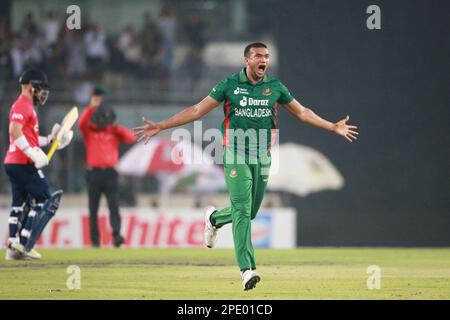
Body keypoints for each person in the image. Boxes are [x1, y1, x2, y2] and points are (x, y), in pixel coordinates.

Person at [134, 42, 359, 290]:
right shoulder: (229, 85)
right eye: (258, 56)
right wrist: (162, 126)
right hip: (235, 152)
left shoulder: (275, 87)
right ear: (247, 60)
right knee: (242, 210)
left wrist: (332, 126)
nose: (264, 60)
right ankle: (247, 270)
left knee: (250, 212)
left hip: (263, 155)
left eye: (267, 56)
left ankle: (214, 218)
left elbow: (303, 113)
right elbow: (198, 110)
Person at [4, 68, 72, 260]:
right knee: (43, 200)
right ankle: (25, 244)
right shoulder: (23, 105)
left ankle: (12, 245)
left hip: (13, 162)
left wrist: (51, 139)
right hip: (22, 162)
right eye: (41, 89)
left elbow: (30, 138)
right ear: (32, 87)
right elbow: (14, 131)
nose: (44, 93)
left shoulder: (26, 106)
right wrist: (31, 152)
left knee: (19, 204)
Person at [78, 86, 136, 248]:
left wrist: (115, 126)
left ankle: (116, 236)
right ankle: (95, 241)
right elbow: (81, 122)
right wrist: (91, 107)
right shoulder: (89, 131)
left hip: (110, 173)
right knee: (93, 208)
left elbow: (131, 137)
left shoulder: (113, 131)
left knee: (114, 206)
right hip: (94, 173)